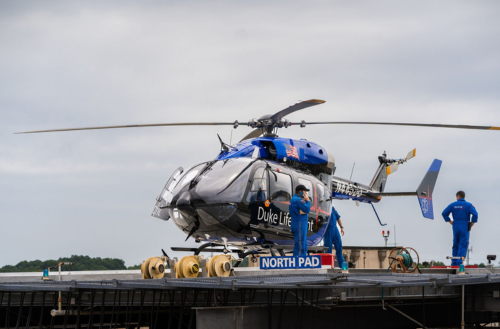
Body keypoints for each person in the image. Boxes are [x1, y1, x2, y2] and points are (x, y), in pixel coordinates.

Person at [442, 191, 478, 266]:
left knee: (456, 244)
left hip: (455, 225)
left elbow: (444, 213)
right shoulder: (468, 205)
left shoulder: (452, 205)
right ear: (463, 196)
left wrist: (449, 221)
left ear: (458, 196)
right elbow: (475, 214)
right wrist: (472, 222)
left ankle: (454, 263)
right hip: (464, 225)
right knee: (463, 243)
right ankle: (459, 264)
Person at [289, 185, 311, 256]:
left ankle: (302, 262)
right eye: (304, 192)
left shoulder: (295, 199)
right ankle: (297, 264)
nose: (306, 193)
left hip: (298, 224)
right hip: (299, 224)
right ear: (300, 192)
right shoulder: (298, 200)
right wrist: (307, 201)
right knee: (300, 246)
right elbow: (307, 209)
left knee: (303, 245)